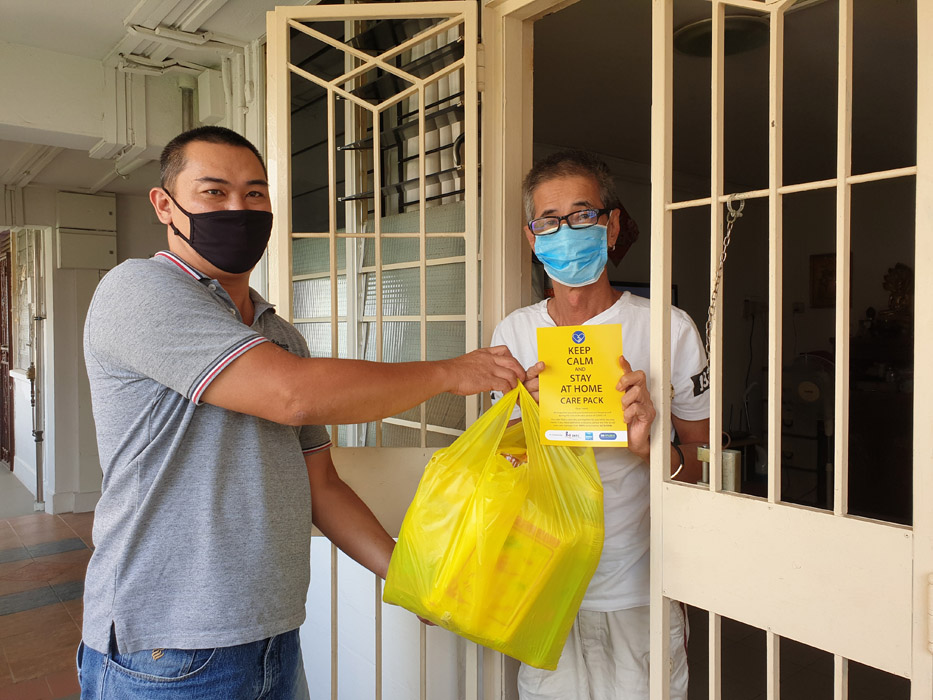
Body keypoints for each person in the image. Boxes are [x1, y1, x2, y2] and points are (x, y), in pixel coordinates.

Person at [78, 125, 525, 699]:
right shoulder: (138, 290)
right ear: (165, 205)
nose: (238, 209)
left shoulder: (278, 334)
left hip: (273, 635)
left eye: (255, 194)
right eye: (214, 192)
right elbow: (294, 395)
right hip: (167, 647)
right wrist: (451, 373)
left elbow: (321, 485)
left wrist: (413, 581)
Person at [490, 150, 710, 700]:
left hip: (640, 589)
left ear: (611, 226)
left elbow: (706, 475)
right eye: (549, 221)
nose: (566, 232)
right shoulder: (513, 335)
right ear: (532, 237)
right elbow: (501, 470)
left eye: (583, 215)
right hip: (545, 585)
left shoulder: (668, 330)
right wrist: (527, 434)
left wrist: (650, 448)